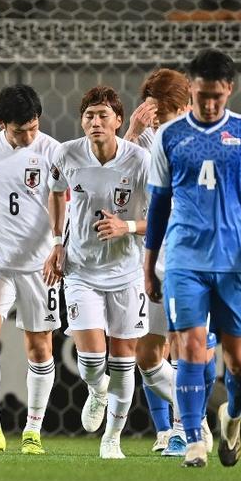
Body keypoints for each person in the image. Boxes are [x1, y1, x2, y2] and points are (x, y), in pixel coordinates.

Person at [144, 48, 241, 468]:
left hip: (236, 262)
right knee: (189, 348)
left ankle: (232, 415)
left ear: (230, 90)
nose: (209, 105)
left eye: (217, 97)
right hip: (185, 260)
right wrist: (149, 261)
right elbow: (158, 205)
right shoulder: (170, 137)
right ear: (192, 90)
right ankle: (191, 440)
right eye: (202, 95)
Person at [44, 86, 150, 460]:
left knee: (124, 363)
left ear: (119, 121)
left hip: (126, 273)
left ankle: (112, 439)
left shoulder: (139, 161)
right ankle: (96, 391)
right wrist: (57, 241)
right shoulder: (66, 153)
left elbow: (160, 220)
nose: (95, 122)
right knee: (91, 361)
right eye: (89, 115)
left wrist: (128, 228)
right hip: (81, 271)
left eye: (103, 115)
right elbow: (56, 193)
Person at [0, 85, 61, 455]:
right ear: (2, 124)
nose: (29, 135)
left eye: (34, 126)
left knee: (39, 346)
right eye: (20, 130)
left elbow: (64, 205)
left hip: (40, 264)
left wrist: (58, 247)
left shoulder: (53, 151)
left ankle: (33, 431)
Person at [124, 68, 216, 457]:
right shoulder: (145, 138)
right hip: (150, 257)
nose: (154, 117)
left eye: (160, 110)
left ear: (181, 107)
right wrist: (130, 132)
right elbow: (111, 182)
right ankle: (193, 418)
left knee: (187, 346)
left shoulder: (203, 144)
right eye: (150, 110)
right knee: (146, 355)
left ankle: (184, 430)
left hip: (192, 257)